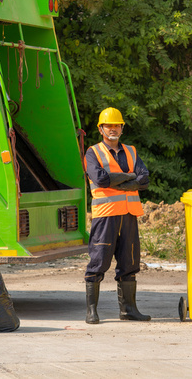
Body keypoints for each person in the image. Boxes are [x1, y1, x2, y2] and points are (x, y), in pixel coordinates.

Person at [83, 107, 151, 324]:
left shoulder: (131, 151)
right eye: (108, 125)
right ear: (101, 129)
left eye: (117, 125)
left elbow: (145, 179)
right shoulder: (93, 152)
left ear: (122, 128)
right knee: (98, 262)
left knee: (129, 263)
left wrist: (120, 179)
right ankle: (91, 311)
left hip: (129, 215)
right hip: (106, 216)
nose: (113, 129)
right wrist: (130, 178)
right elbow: (101, 179)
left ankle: (128, 310)